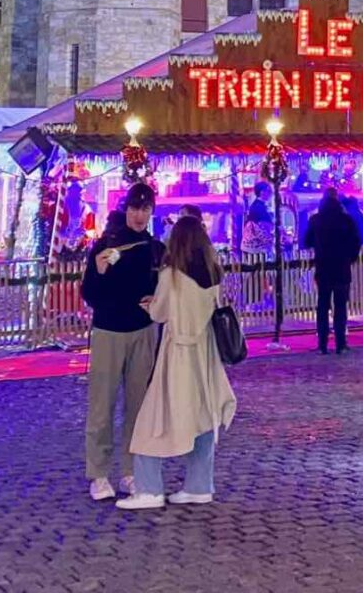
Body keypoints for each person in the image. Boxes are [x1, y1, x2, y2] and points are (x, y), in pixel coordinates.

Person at [118, 208, 237, 511]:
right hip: (204, 353)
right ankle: (199, 485)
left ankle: (149, 488)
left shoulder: (172, 274)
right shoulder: (213, 273)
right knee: (202, 419)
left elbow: (160, 312)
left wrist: (150, 305)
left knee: (153, 420)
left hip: (178, 354)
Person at [81, 183, 163, 501]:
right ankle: (98, 473)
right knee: (102, 405)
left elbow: (163, 289)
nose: (139, 215)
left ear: (151, 211)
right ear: (126, 209)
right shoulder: (105, 245)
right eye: (135, 208)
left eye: (145, 209)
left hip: (142, 331)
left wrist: (156, 301)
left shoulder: (155, 250)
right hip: (109, 331)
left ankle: (131, 470)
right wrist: (99, 272)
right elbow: (89, 293)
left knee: (138, 406)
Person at [304, 188, 361, 355]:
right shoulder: (346, 220)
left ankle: (322, 343)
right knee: (341, 306)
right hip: (342, 267)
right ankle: (340, 343)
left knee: (322, 306)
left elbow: (307, 241)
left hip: (323, 267)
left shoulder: (316, 220)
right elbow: (356, 242)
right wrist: (349, 258)